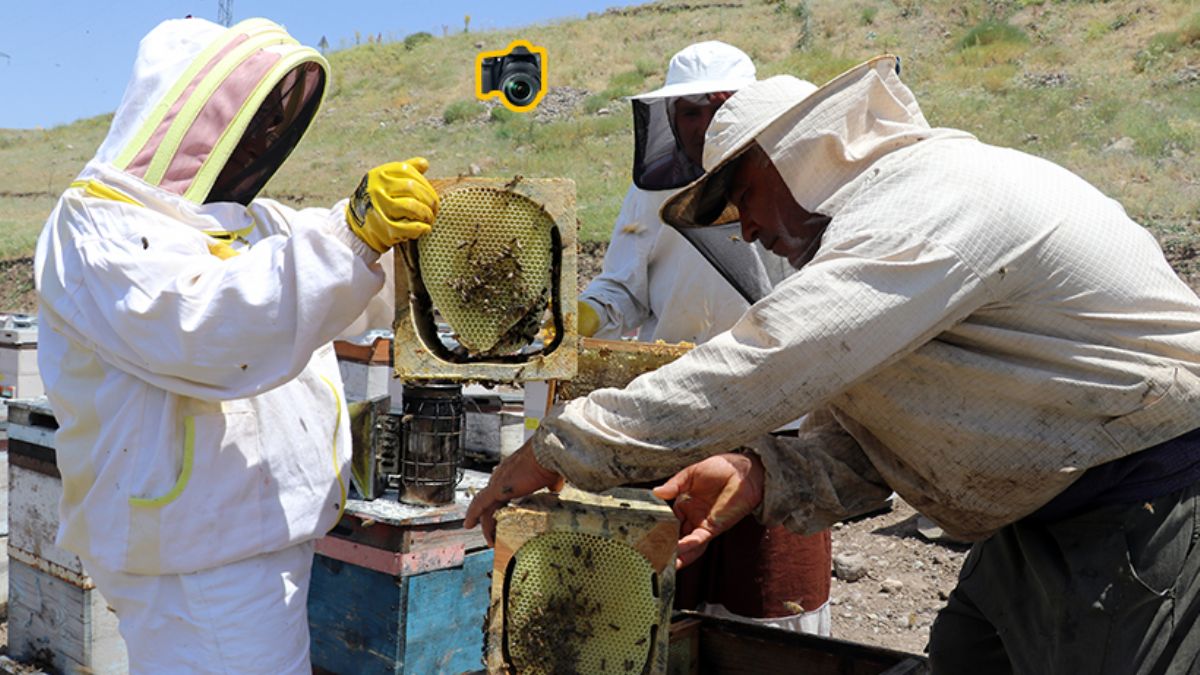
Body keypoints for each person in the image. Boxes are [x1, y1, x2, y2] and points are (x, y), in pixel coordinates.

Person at [469, 55, 1200, 674]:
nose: (748, 227)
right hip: (1028, 522)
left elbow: (769, 359)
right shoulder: (885, 229)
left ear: (800, 154)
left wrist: (562, 444)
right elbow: (878, 441)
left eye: (744, 196)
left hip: (1141, 511)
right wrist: (761, 474)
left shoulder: (933, 196)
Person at [35, 17, 438, 674]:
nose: (254, 140)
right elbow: (206, 324)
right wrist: (352, 234)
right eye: (242, 120)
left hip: (241, 538)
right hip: (193, 555)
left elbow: (335, 285)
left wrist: (414, 249)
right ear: (186, 116)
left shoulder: (246, 220)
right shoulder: (98, 224)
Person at [578, 41, 832, 634]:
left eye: (718, 106)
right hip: (675, 423)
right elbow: (622, 288)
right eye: (690, 111)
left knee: (775, 615)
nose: (704, 123)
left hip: (780, 431)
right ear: (670, 119)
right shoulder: (650, 189)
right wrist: (584, 317)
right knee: (659, 608)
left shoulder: (797, 184)